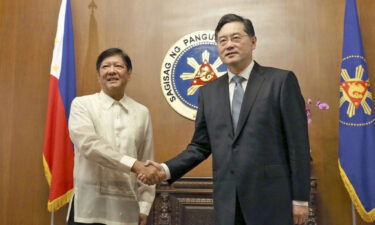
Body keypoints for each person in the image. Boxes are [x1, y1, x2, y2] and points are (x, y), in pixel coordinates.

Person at [140, 14, 311, 225]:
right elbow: (200, 146)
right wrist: (164, 169)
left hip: (272, 201)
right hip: (228, 204)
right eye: (223, 40)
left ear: (253, 41)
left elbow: (298, 145)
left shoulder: (280, 81)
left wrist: (301, 199)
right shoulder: (208, 92)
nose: (229, 45)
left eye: (236, 38)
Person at [67, 48, 162, 225]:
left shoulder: (141, 112)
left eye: (118, 66)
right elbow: (90, 146)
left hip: (126, 211)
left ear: (129, 74)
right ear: (99, 74)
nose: (111, 70)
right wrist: (134, 165)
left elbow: (146, 159)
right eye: (105, 66)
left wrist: (144, 206)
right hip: (88, 209)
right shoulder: (82, 105)